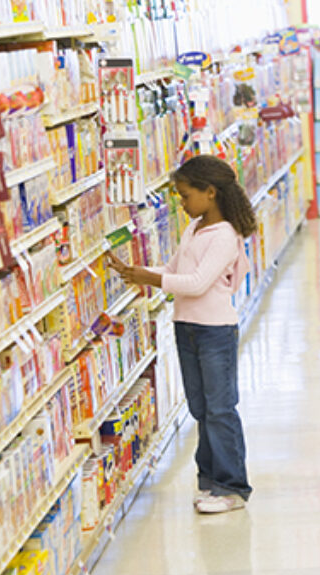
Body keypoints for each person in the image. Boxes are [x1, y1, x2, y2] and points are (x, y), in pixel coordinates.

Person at [107, 155, 256, 514]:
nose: (182, 203)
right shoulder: (195, 227)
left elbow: (197, 283)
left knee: (221, 409)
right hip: (186, 327)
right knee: (200, 407)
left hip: (214, 331)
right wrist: (136, 272)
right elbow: (175, 270)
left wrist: (152, 280)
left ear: (211, 192)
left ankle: (232, 487)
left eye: (186, 196)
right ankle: (210, 480)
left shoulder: (224, 235)